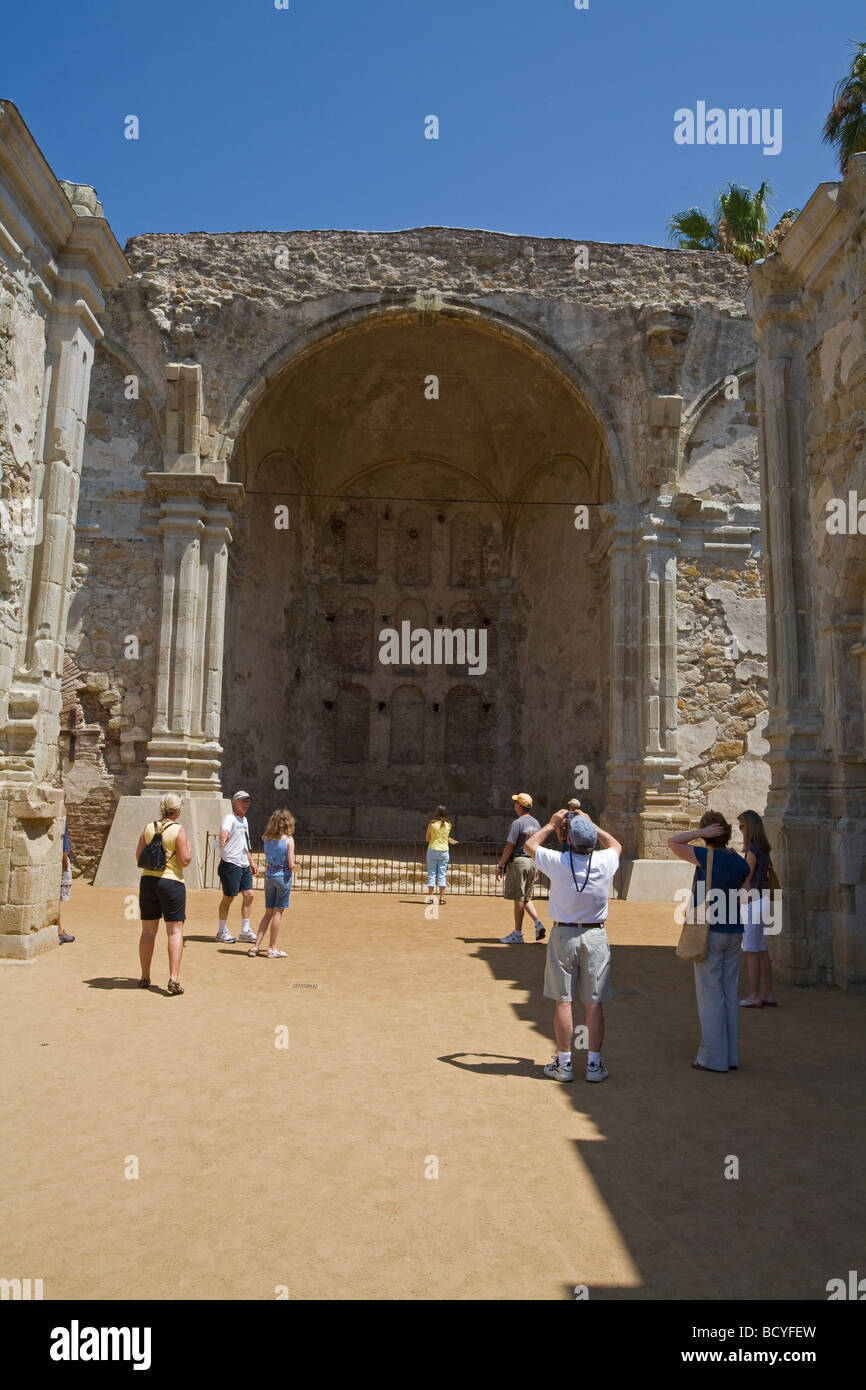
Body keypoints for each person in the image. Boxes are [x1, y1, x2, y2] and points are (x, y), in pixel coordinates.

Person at [526, 808, 622, 1082]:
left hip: (564, 936)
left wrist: (551, 823)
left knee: (563, 1001)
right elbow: (616, 845)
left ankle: (565, 1064)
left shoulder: (558, 861)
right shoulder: (604, 861)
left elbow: (531, 845)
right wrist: (592, 825)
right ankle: (593, 1064)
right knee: (594, 1003)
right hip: (595, 936)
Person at [668, 810, 750, 1072]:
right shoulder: (739, 862)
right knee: (729, 992)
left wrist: (699, 834)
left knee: (710, 996)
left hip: (710, 931)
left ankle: (712, 1058)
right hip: (734, 930)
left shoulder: (705, 856)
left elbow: (674, 842)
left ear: (709, 834)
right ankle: (731, 1055)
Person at [134, 792, 192, 994]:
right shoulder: (179, 830)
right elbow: (184, 860)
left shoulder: (148, 827)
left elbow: (139, 856)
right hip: (171, 882)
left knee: (148, 931)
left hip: (148, 881)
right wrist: (189, 851)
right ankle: (173, 979)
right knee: (175, 931)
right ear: (177, 810)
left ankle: (144, 975)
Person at [737, 809, 778, 1008]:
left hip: (753, 902)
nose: (740, 829)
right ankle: (768, 993)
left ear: (749, 827)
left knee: (752, 950)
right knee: (761, 948)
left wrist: (738, 901)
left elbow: (747, 877)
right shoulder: (764, 848)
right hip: (764, 901)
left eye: (742, 825)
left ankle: (754, 995)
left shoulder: (752, 849)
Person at [497, 793, 545, 943]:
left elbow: (509, 846)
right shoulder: (536, 824)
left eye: (515, 802)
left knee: (518, 897)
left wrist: (500, 865)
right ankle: (538, 923)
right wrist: (537, 866)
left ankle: (518, 933)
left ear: (519, 806)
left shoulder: (517, 823)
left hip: (519, 862)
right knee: (526, 897)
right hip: (531, 862)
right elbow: (537, 847)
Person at [251, 808, 296, 958]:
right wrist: (296, 867)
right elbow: (291, 863)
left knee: (268, 912)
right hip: (283, 877)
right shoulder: (289, 840)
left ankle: (256, 946)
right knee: (278, 913)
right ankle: (271, 947)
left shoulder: (266, 839)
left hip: (269, 876)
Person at [216, 791, 257, 944]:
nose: (246, 804)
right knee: (228, 897)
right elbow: (224, 830)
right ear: (235, 803)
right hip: (230, 864)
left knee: (249, 895)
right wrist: (223, 837)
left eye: (248, 801)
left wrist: (251, 862)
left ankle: (245, 931)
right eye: (243, 801)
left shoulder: (244, 820)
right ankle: (221, 931)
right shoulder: (230, 818)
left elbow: (245, 844)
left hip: (243, 863)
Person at [425, 805, 454, 905]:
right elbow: (445, 836)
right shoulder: (448, 824)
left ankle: (430, 898)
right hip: (444, 850)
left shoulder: (432, 823)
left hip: (433, 849)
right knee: (442, 874)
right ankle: (441, 899)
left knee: (432, 874)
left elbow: (427, 839)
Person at [58, 819, 75, 944]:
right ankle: (59, 932)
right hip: (63, 861)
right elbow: (63, 845)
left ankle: (59, 930)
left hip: (63, 860)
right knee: (57, 899)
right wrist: (65, 864)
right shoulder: (62, 819)